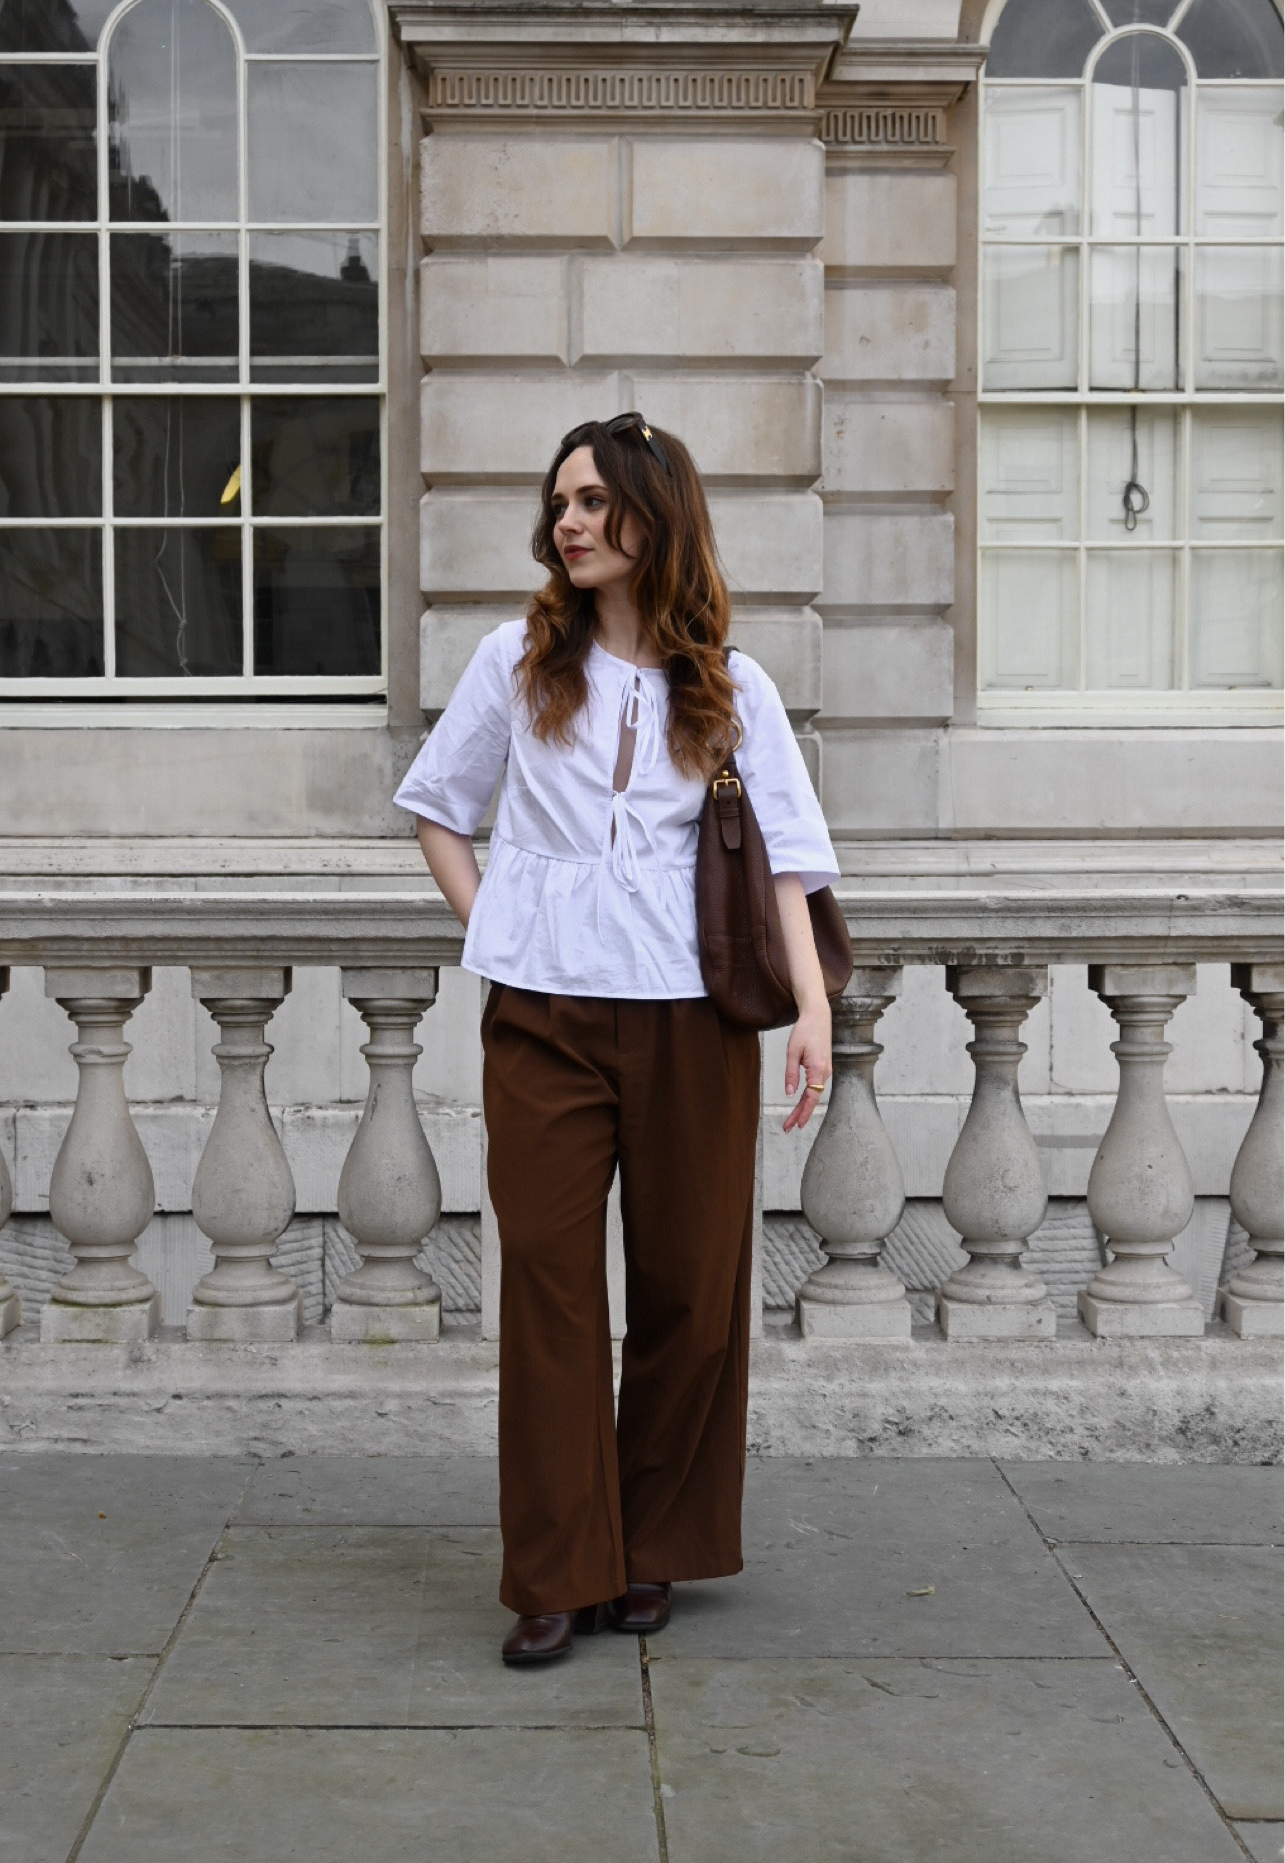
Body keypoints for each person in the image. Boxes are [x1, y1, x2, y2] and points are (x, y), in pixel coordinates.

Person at [395, 414, 839, 1665]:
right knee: (543, 1277)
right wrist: (505, 929)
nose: (568, 523)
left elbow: (792, 866)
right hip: (544, 1019)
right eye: (559, 506)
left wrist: (810, 1009)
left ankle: (649, 1543)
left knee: (693, 1293)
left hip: (694, 1017)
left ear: (656, 515)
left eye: (592, 501)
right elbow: (437, 810)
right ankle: (555, 1569)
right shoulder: (516, 660)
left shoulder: (732, 686)